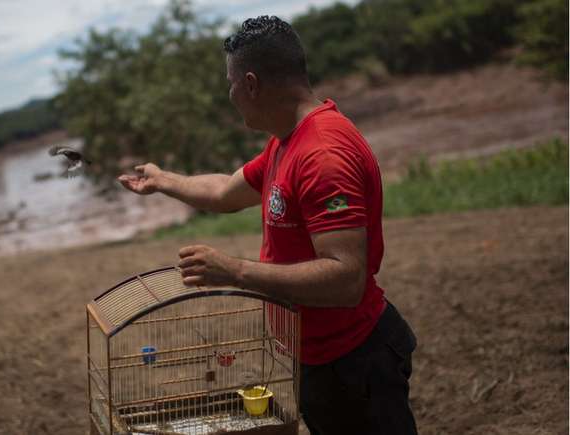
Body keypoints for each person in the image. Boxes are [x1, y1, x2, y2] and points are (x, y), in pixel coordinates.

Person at [118, 15, 418, 435]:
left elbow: (346, 277)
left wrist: (235, 271)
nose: (230, 94)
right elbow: (225, 192)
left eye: (231, 83)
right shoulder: (287, 140)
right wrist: (162, 179)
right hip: (318, 356)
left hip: (356, 360)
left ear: (252, 84)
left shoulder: (322, 155)